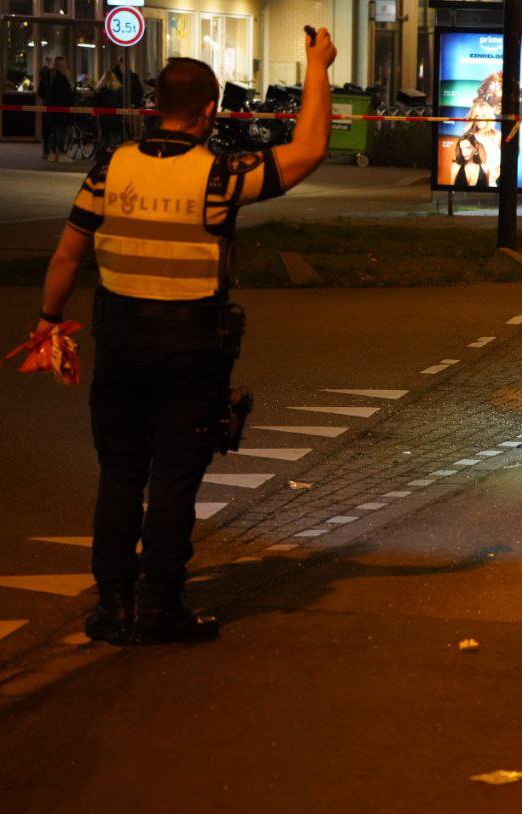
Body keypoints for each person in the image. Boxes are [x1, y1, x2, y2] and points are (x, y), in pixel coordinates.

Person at [32, 31, 336, 645]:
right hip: (191, 347)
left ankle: (111, 607)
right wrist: (315, 66)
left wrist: (46, 321)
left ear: (154, 105)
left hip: (119, 339)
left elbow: (67, 255)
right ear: (209, 111)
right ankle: (158, 604)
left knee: (119, 473)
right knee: (173, 476)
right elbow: (307, 150)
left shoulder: (108, 169)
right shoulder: (220, 177)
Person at [43, 56, 74, 161]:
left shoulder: (49, 76)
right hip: (62, 107)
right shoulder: (62, 77)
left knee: (54, 130)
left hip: (51, 107)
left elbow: (42, 91)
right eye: (64, 65)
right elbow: (67, 93)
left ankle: (52, 153)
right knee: (61, 131)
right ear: (61, 66)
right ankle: (61, 153)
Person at [91, 70, 124, 156]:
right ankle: (111, 156)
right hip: (115, 117)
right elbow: (121, 103)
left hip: (103, 117)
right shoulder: (119, 90)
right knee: (114, 136)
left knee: (104, 136)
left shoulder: (99, 90)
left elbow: (95, 104)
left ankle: (100, 155)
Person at [36, 58, 54, 159]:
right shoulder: (54, 78)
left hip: (46, 104)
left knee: (46, 128)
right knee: (52, 128)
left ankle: (46, 151)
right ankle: (51, 151)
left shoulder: (43, 77)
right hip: (52, 105)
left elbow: (40, 93)